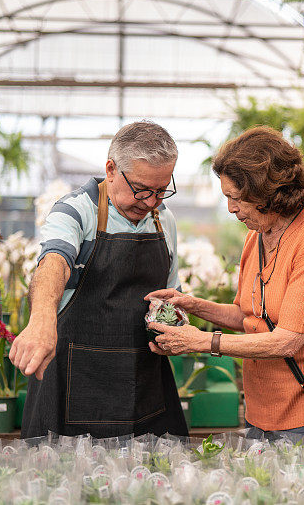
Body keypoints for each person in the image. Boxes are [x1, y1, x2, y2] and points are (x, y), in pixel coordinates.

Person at [146, 126, 304, 438]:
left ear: (267, 193)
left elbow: (287, 341)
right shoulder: (258, 235)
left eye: (235, 198)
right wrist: (192, 304)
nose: (231, 208)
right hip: (263, 408)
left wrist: (201, 342)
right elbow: (247, 316)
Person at [11, 120, 188, 439]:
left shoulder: (165, 221)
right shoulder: (76, 212)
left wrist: (174, 329)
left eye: (161, 191)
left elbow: (169, 296)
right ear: (110, 169)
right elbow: (54, 261)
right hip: (73, 387)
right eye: (142, 190)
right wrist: (41, 321)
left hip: (143, 386)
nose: (150, 203)